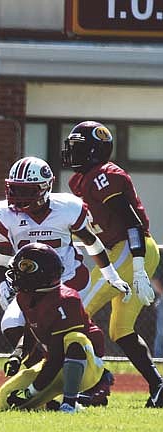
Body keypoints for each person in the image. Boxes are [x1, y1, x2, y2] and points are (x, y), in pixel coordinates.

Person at [0, 157, 129, 389]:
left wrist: (110, 274)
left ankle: (96, 378)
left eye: (27, 190)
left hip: (68, 281)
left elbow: (92, 243)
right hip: (31, 286)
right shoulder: (4, 214)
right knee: (11, 325)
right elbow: (3, 258)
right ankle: (45, 375)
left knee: (64, 334)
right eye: (15, 189)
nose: (19, 196)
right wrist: (3, 284)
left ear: (45, 188)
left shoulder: (67, 208)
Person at [62, 121, 163, 408]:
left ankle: (97, 383)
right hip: (122, 252)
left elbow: (132, 222)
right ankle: (159, 385)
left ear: (95, 151)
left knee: (76, 310)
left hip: (132, 250)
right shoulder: (81, 180)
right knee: (120, 330)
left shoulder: (105, 176)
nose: (71, 152)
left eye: (78, 147)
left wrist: (140, 266)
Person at [0, 243, 107, 413]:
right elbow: (31, 330)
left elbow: (58, 357)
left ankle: (69, 403)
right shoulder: (26, 296)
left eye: (26, 267)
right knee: (2, 404)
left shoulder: (67, 300)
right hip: (53, 364)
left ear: (43, 272)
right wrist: (18, 354)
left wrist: (29, 392)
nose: (19, 272)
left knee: (75, 339)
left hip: (87, 367)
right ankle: (55, 403)